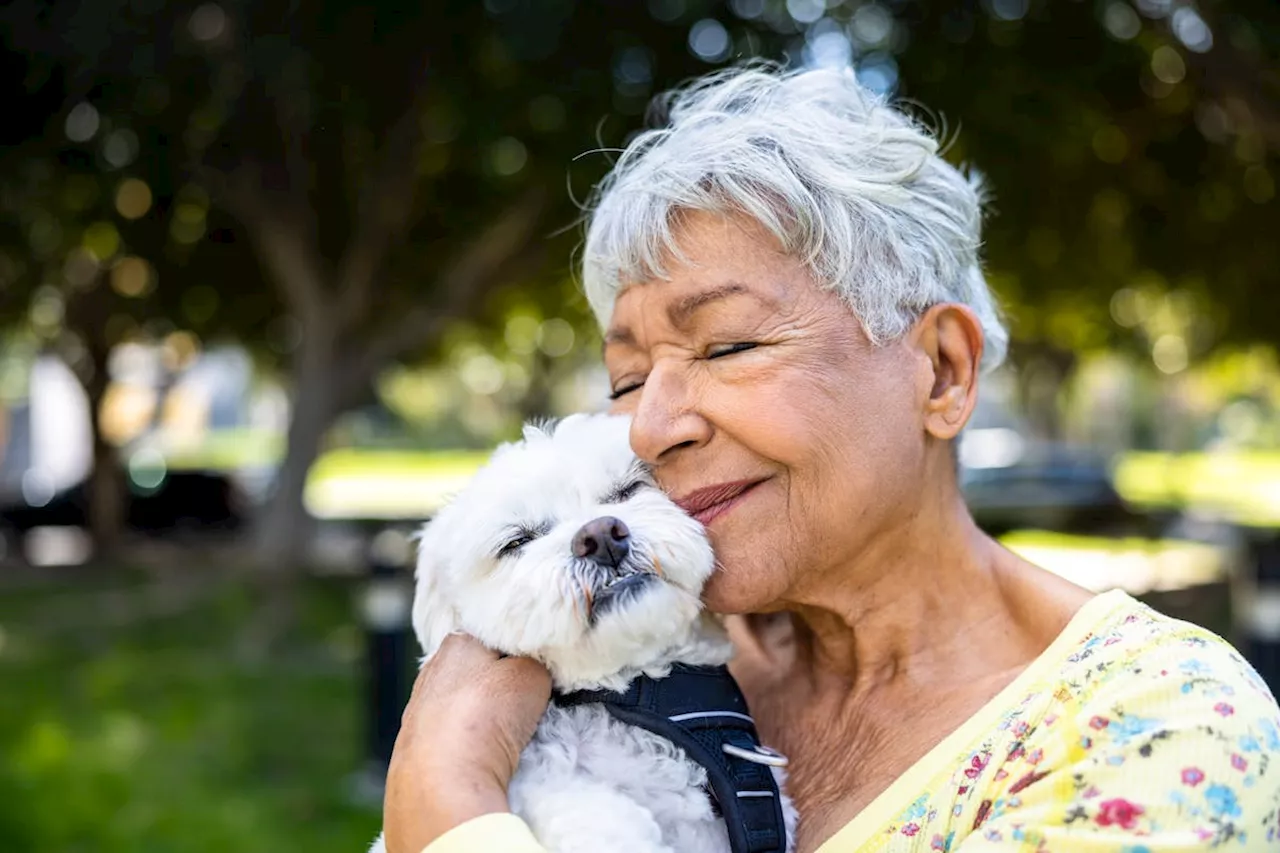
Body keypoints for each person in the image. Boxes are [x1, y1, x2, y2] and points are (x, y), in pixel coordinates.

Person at [380, 65, 1280, 853]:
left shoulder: (1153, 733)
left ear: (941, 370)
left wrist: (445, 796)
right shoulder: (651, 655)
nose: (652, 426)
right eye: (625, 377)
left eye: (727, 347)